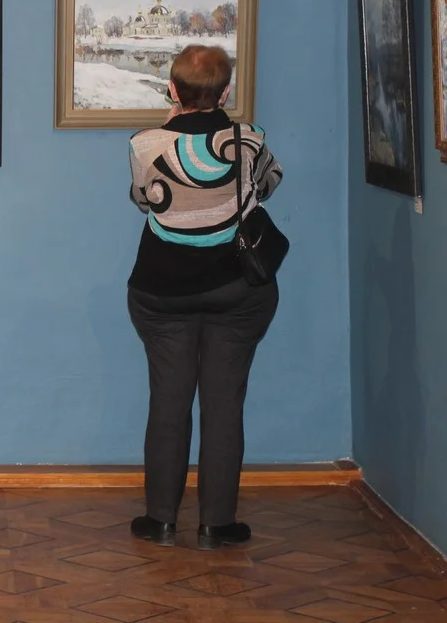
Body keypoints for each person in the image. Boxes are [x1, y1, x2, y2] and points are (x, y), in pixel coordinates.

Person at [125, 44, 283, 550]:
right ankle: (217, 524)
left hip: (160, 292)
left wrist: (171, 131)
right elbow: (271, 184)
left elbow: (141, 199)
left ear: (172, 89)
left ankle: (160, 521)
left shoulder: (146, 144)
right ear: (226, 92)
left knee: (168, 402)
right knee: (224, 403)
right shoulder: (251, 139)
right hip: (237, 291)